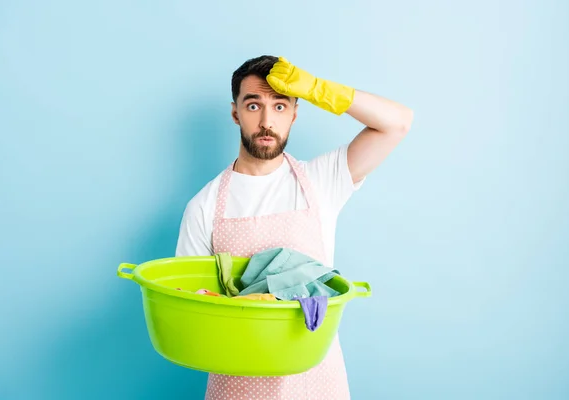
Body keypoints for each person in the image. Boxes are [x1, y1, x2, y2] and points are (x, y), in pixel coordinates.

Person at [175, 55, 414, 400]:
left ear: (296, 114)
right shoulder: (204, 206)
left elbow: (398, 123)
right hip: (238, 379)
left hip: (317, 380)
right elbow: (192, 309)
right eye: (254, 105)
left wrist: (319, 89)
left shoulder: (321, 180)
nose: (267, 121)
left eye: (281, 106)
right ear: (235, 113)